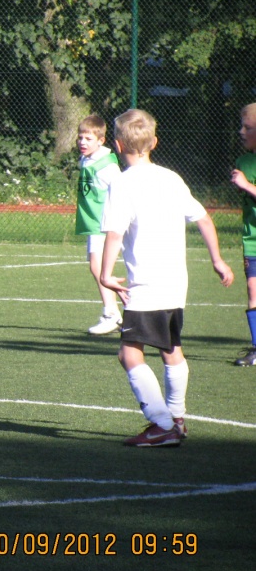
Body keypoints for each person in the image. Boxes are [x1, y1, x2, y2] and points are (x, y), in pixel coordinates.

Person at [100, 109, 234, 447]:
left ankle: (162, 425)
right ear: (155, 142)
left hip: (146, 284)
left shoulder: (122, 182)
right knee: (171, 348)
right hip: (175, 282)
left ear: (118, 145)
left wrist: (105, 273)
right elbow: (203, 219)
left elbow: (114, 233)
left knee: (129, 354)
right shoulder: (172, 178)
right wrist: (218, 260)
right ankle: (176, 418)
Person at [74, 114, 123, 335]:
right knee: (98, 268)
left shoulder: (107, 166)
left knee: (98, 267)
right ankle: (119, 313)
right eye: (80, 137)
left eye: (88, 139)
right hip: (94, 222)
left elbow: (121, 191)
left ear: (101, 141)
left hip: (104, 223)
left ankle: (112, 314)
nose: (82, 142)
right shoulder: (87, 160)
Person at [229, 103, 256, 366]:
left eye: (247, 128)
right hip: (252, 239)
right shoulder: (244, 162)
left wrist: (247, 185)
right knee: (252, 289)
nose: (241, 132)